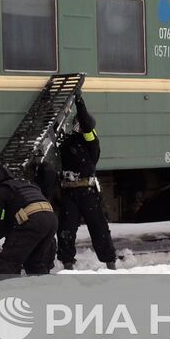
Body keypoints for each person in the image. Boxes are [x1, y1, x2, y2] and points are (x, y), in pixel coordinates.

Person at [48, 92, 117, 270]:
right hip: (69, 192)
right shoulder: (67, 141)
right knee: (66, 229)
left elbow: (86, 125)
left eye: (78, 122)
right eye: (75, 122)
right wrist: (51, 104)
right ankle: (67, 263)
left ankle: (110, 262)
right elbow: (55, 128)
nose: (76, 125)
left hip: (88, 191)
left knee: (99, 228)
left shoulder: (91, 141)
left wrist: (79, 102)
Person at [0, 161, 58, 277]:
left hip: (32, 221)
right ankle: (44, 289)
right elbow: (8, 226)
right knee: (34, 263)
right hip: (51, 219)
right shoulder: (26, 185)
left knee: (6, 263)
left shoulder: (0, 191)